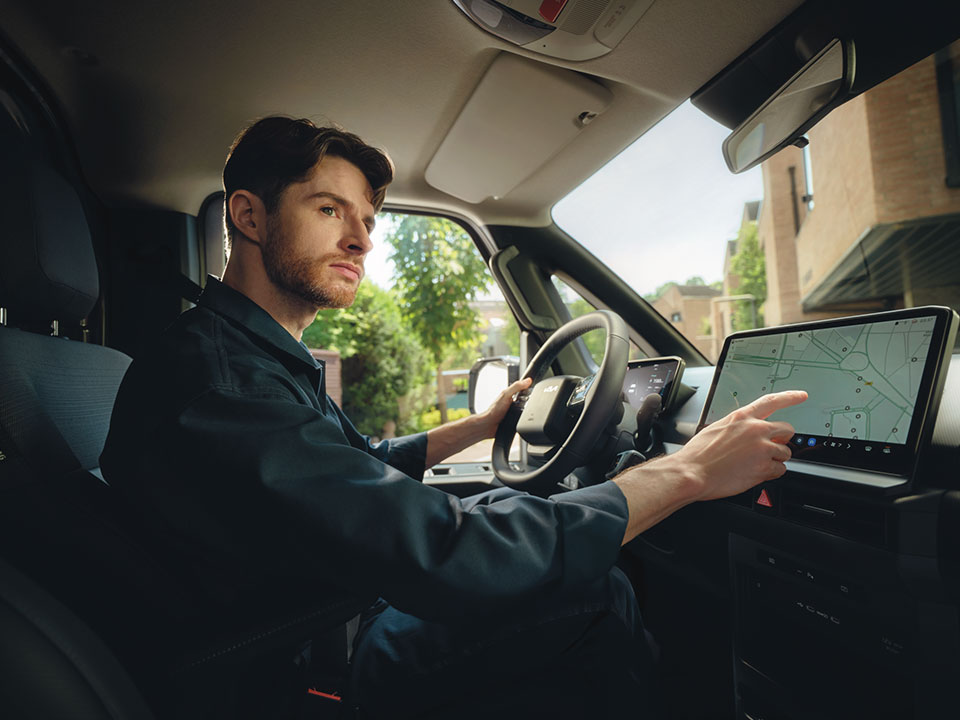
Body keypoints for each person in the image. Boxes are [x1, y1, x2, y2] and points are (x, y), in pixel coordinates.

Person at [101, 116, 805, 719]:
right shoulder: (222, 385)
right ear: (249, 217)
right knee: (593, 589)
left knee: (498, 503)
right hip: (309, 663)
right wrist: (688, 470)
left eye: (366, 220)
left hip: (324, 611)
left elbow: (362, 465)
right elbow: (452, 554)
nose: (361, 240)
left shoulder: (250, 357)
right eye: (329, 210)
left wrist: (480, 426)